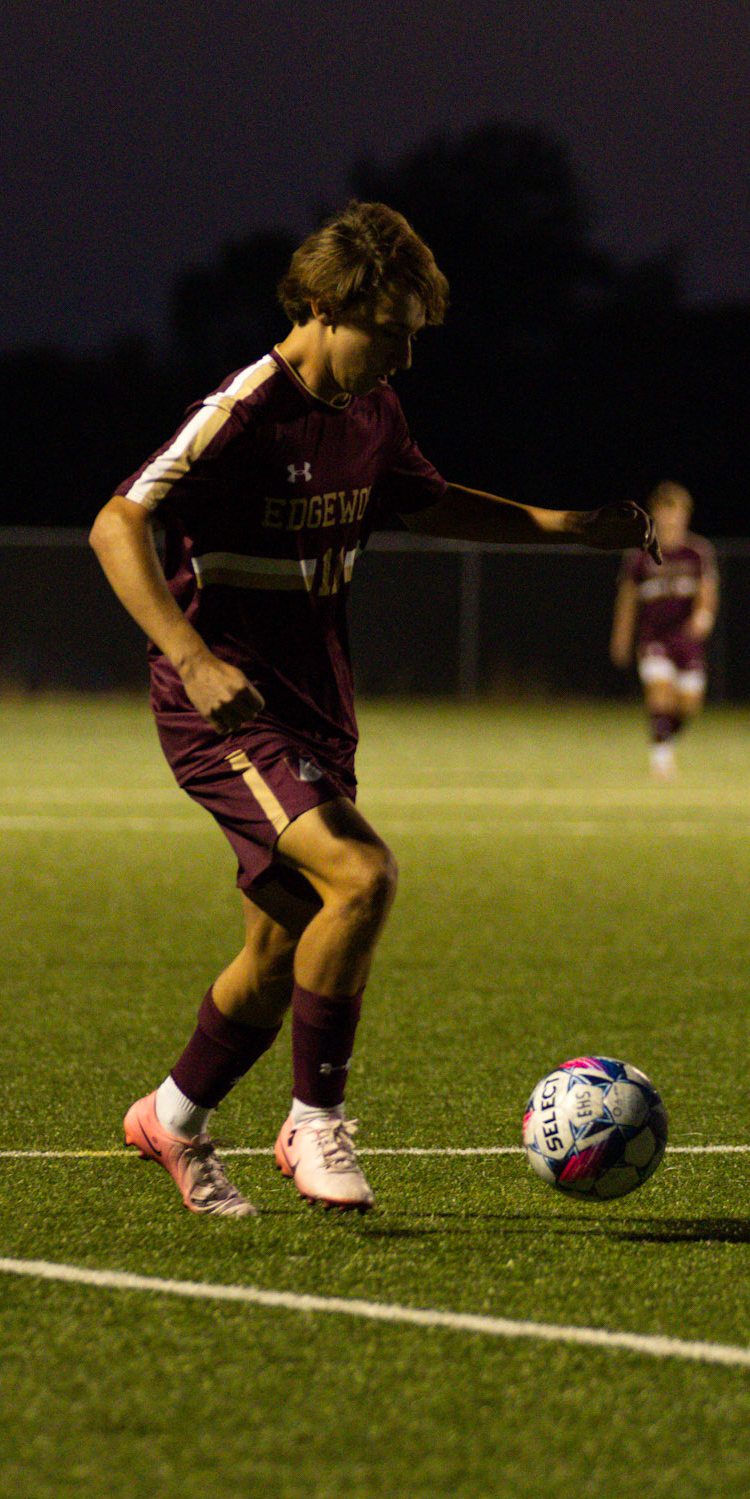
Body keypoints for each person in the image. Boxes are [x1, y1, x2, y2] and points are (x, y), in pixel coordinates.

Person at [89, 199, 658, 1218]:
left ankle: (171, 1117)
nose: (403, 355)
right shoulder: (245, 411)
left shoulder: (373, 411)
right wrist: (192, 658)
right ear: (323, 305)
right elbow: (115, 523)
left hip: (316, 706)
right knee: (362, 875)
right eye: (390, 331)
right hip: (228, 706)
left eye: (413, 335)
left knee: (283, 945)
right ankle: (315, 1121)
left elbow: (429, 501)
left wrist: (568, 527)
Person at [609, 482, 717, 780]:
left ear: (685, 515)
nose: (671, 518)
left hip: (686, 638)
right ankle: (660, 759)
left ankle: (664, 743)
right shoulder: (640, 553)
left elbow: (708, 591)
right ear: (654, 514)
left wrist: (704, 616)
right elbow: (627, 599)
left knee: (689, 704)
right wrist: (621, 636)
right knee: (660, 693)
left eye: (676, 511)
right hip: (653, 636)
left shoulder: (697, 551)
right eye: (665, 511)